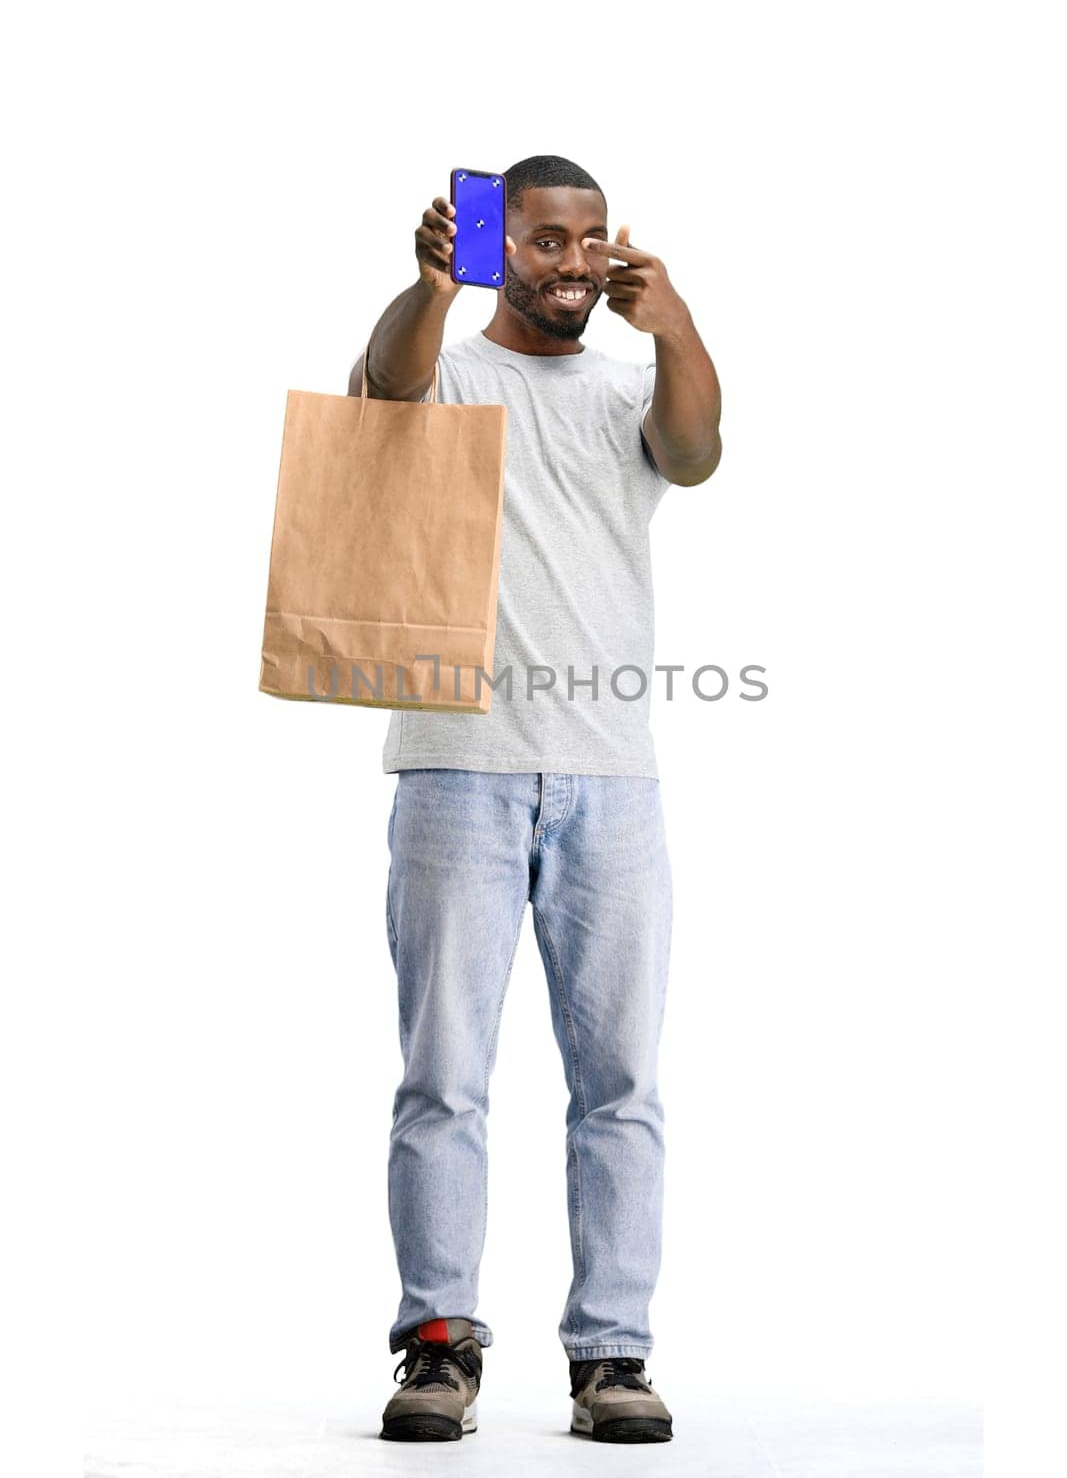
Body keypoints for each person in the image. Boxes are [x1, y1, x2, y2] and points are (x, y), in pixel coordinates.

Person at [348, 155, 722, 1444]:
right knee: (442, 1075)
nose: (568, 263)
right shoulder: (448, 363)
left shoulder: (629, 387)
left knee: (620, 1079)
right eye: (544, 239)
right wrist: (429, 288)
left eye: (587, 242)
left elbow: (698, 450)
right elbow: (382, 388)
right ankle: (437, 1344)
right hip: (454, 761)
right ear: (506, 240)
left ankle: (612, 1354)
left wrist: (673, 325)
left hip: (612, 777)